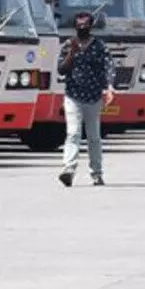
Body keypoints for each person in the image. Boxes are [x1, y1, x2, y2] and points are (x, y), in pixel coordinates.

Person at [58, 11, 116, 187]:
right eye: (79, 25)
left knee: (94, 137)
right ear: (75, 26)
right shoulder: (68, 45)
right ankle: (68, 169)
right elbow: (61, 69)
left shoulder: (99, 46)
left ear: (91, 27)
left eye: (85, 25)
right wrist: (72, 53)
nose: (82, 28)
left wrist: (110, 88)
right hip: (73, 96)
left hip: (93, 97)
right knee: (73, 133)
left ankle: (96, 173)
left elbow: (109, 67)